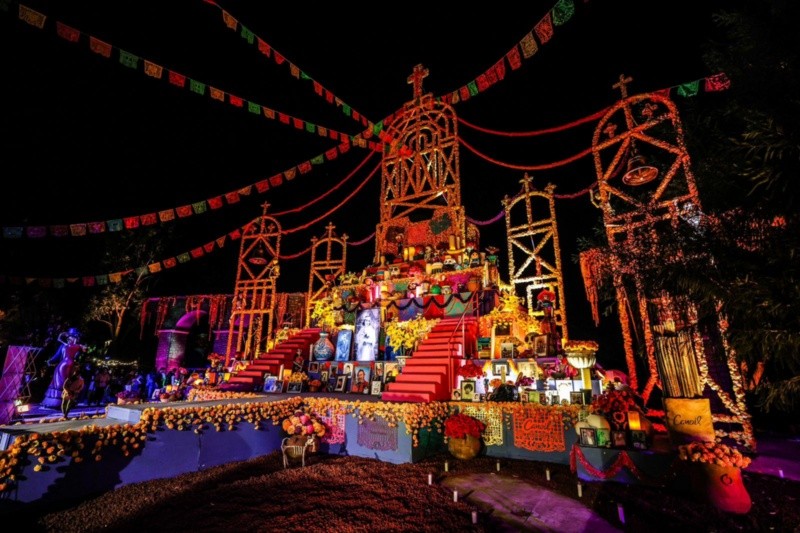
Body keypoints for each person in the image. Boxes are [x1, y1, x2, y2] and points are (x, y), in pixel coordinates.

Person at [41, 327, 86, 408]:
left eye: (72, 337)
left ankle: (68, 400)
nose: (70, 338)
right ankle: (58, 402)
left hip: (71, 366)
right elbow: (57, 356)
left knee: (67, 383)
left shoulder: (75, 347)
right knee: (60, 383)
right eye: (69, 337)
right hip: (63, 366)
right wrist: (50, 361)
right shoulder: (64, 346)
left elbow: (80, 355)